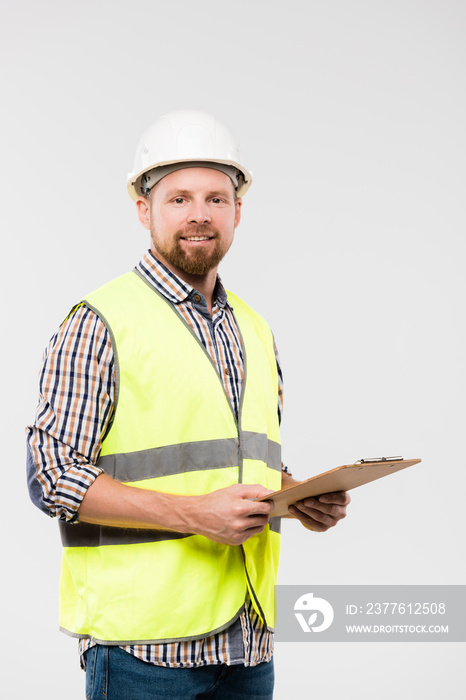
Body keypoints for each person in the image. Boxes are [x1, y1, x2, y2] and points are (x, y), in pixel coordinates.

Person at [26, 109, 350, 700]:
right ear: (144, 210)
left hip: (248, 644)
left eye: (215, 199)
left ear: (237, 212)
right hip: (141, 653)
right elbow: (51, 479)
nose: (200, 214)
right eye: (179, 198)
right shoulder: (100, 323)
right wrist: (194, 515)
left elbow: (231, 463)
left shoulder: (253, 328)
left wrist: (298, 498)